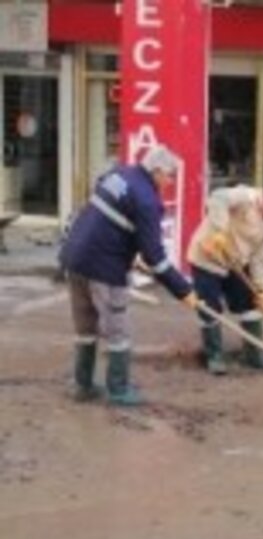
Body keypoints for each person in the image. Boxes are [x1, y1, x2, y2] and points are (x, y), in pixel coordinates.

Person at [59, 145, 199, 406]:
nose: (170, 183)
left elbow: (111, 217)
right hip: (104, 268)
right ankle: (119, 390)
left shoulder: (118, 174)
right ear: (156, 171)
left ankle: (82, 384)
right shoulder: (147, 200)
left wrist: (129, 246)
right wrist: (183, 290)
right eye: (170, 176)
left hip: (74, 259)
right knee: (118, 330)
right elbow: (154, 258)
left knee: (85, 326)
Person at [187, 178, 263, 375]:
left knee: (251, 305)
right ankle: (214, 355)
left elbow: (258, 261)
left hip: (235, 263)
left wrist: (262, 289)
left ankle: (253, 354)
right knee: (209, 307)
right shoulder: (247, 197)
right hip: (206, 257)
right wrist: (220, 231)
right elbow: (217, 198)